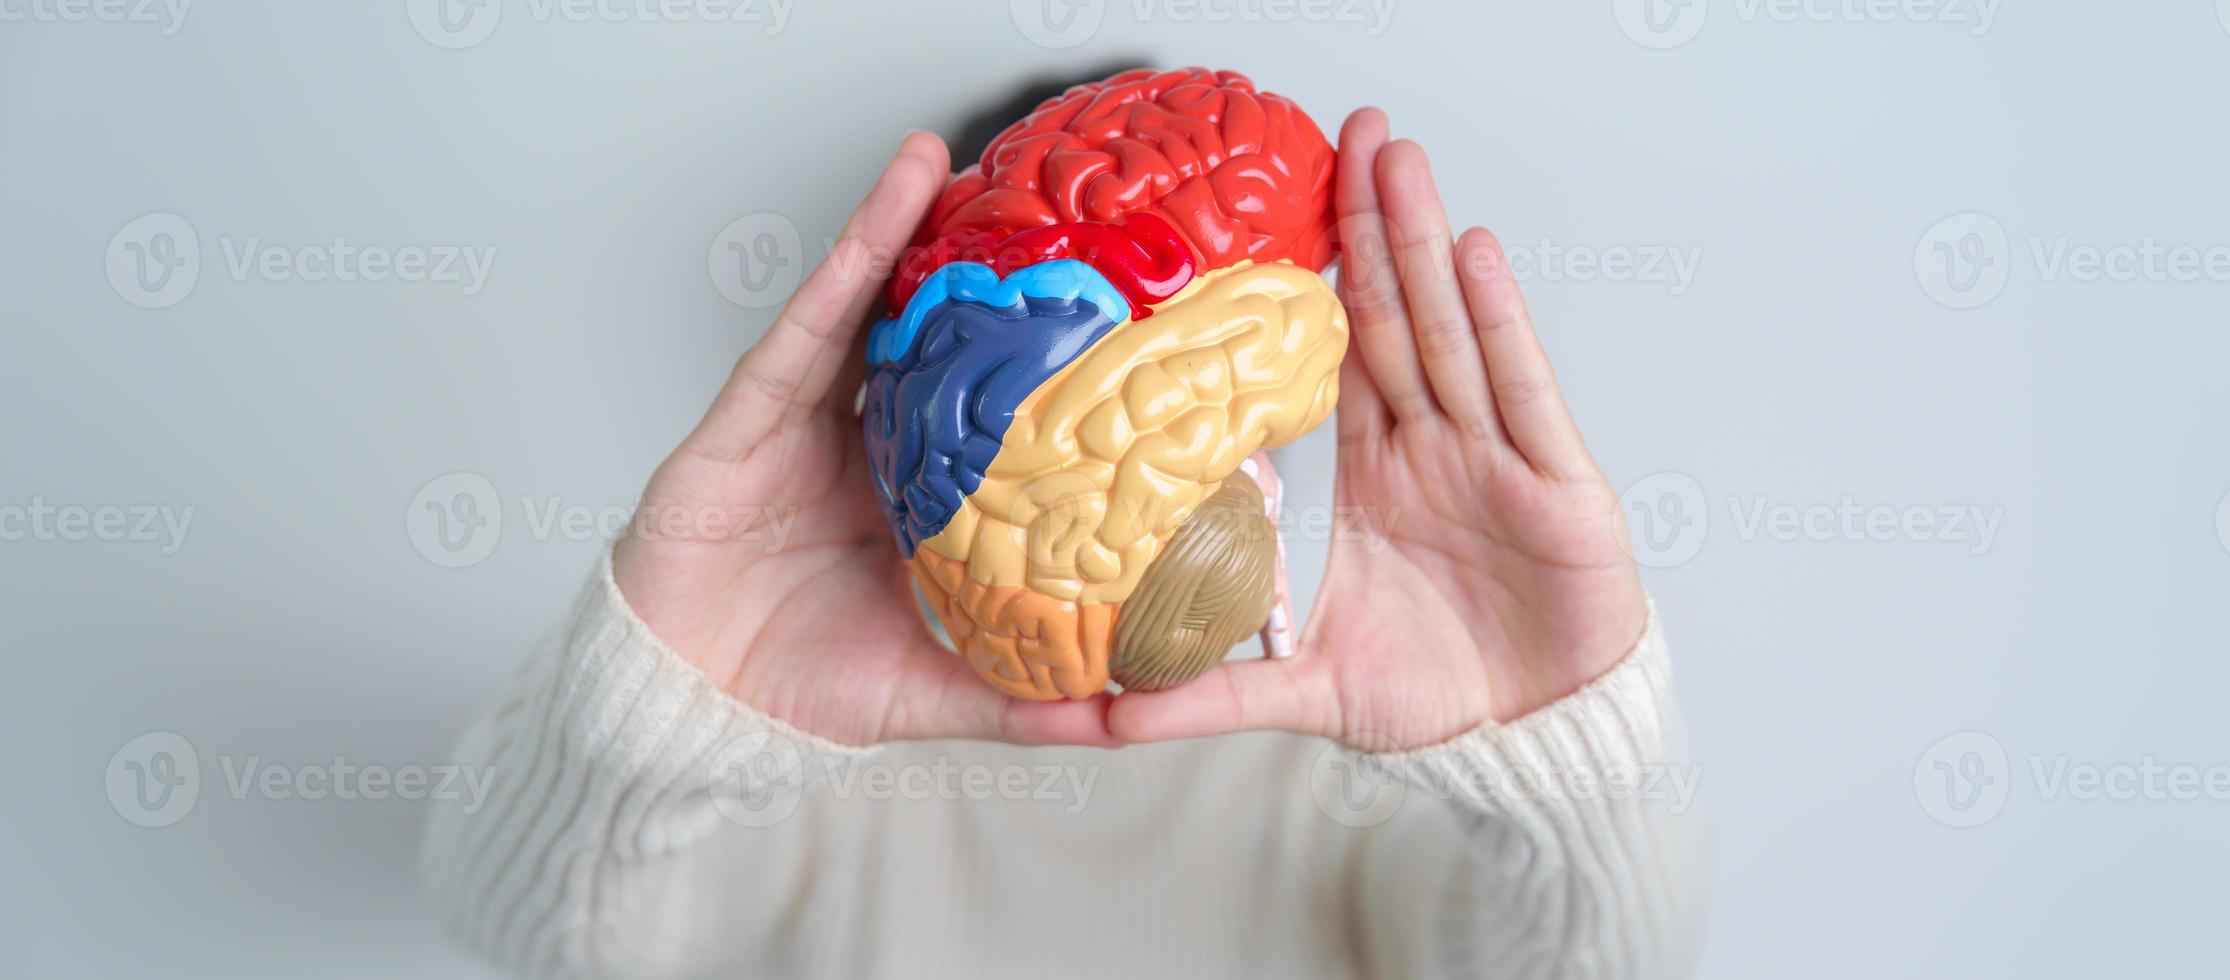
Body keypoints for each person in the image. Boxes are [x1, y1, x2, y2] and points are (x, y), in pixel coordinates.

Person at [421, 109, 1707, 979]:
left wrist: (1564, 761)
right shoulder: (807, 754)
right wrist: (646, 723)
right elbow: (522, 932)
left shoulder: (1368, 765)